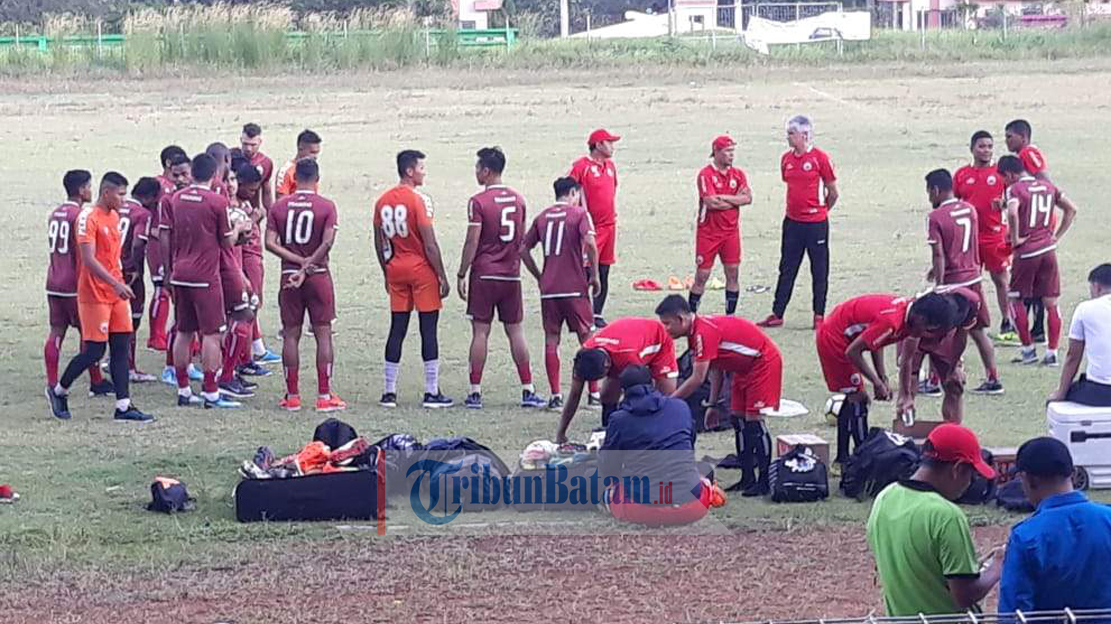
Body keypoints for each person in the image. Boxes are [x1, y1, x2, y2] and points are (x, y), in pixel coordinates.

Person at [45, 172, 154, 422]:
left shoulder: (114, 217)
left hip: (116, 294)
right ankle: (59, 391)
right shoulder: (87, 218)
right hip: (95, 294)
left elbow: (112, 256)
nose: (124, 200)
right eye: (120, 194)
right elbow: (89, 260)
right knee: (94, 350)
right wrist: (117, 283)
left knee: (121, 345)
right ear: (106, 193)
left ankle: (124, 406)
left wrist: (122, 282)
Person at [866, 423, 1001, 616]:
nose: (969, 483)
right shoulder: (946, 516)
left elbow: (921, 568)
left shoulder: (885, 498)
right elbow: (965, 595)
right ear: (958, 469)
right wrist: (996, 567)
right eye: (971, 475)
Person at [656, 295, 781, 496]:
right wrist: (713, 404)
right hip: (741, 369)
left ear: (681, 319)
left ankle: (764, 481)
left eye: (667, 324)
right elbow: (715, 368)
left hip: (762, 363)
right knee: (738, 420)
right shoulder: (695, 333)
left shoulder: (702, 333)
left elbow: (697, 378)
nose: (666, 330)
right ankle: (747, 477)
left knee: (754, 421)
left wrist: (669, 403)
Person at [456, 147, 544, 409]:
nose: (475, 173)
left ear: (486, 171)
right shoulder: (519, 200)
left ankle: (475, 391)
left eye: (477, 168)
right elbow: (522, 239)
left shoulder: (478, 202)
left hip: (484, 273)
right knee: (515, 331)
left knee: (480, 331)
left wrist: (462, 272)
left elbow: (472, 241)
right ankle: (528, 389)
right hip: (510, 274)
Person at [817, 292, 947, 464]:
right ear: (921, 319)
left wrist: (882, 376)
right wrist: (877, 383)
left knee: (854, 398)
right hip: (835, 339)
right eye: (927, 330)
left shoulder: (905, 317)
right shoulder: (892, 322)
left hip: (846, 337)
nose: (925, 335)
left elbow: (874, 342)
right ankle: (861, 460)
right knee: (859, 399)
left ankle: (843, 459)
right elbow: (853, 352)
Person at [166, 153, 251, 409]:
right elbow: (227, 241)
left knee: (183, 331)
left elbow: (169, 235)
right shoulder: (216, 201)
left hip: (179, 274)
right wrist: (240, 228)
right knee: (212, 334)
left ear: (192, 172)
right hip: (205, 276)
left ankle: (183, 389)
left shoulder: (176, 198)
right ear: (215, 175)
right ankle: (212, 393)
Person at [373, 149, 452, 409]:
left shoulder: (382, 201)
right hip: (420, 269)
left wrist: (386, 270)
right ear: (409, 170)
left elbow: (378, 240)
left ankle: (388, 391)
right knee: (428, 329)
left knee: (397, 328)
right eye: (421, 167)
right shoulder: (417, 200)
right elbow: (430, 244)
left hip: (395, 268)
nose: (423, 171)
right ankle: (431, 392)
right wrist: (441, 274)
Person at [998, 437, 1111, 616]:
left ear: (1028, 480)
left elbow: (1014, 613)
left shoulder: (1025, 536)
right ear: (1072, 474)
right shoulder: (1108, 518)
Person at [266, 159, 344, 412]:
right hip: (318, 274)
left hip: (289, 274)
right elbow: (328, 242)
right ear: (317, 179)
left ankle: (292, 396)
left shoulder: (279, 206)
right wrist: (309, 264)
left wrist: (297, 262)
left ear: (295, 178)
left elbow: (270, 243)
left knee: (291, 333)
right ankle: (324, 395)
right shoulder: (327, 206)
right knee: (323, 333)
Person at [521, 177, 601, 411]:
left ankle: (555, 395)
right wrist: (594, 276)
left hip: (550, 290)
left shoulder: (543, 217)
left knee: (551, 340)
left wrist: (539, 275)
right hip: (575, 287)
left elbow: (523, 249)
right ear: (574, 193)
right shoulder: (579, 215)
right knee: (588, 338)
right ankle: (593, 394)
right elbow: (591, 244)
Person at [599, 365, 713, 527]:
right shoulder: (680, 407)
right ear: (653, 383)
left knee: (602, 487)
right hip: (694, 507)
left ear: (623, 391)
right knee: (704, 470)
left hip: (642, 510)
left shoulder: (619, 419)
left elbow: (608, 467)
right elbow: (689, 445)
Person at [924, 167, 1002, 395]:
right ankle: (993, 377)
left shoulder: (935, 217)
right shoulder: (969, 210)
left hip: (952, 282)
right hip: (973, 278)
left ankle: (933, 380)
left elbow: (939, 253)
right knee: (977, 331)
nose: (929, 198)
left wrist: (938, 284)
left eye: (929, 192)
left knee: (937, 332)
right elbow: (965, 244)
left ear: (936, 190)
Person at [759, 115, 838, 330]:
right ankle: (777, 313)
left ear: (804, 135)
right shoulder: (786, 159)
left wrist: (820, 212)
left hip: (816, 225)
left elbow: (833, 192)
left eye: (791, 133)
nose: (788, 137)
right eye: (788, 133)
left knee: (819, 270)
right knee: (787, 267)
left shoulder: (821, 159)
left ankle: (819, 316)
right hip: (792, 223)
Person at [999, 155, 1078, 366]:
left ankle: (1028, 350)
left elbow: (1013, 212)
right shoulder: (1047, 186)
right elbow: (1071, 208)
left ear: (1009, 174)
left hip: (1026, 252)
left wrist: (1015, 238)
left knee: (1015, 299)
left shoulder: (1015, 189)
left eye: (1004, 179)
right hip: (1048, 249)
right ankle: (1052, 353)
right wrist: (1056, 236)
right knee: (1051, 301)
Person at [555, 317, 679, 444]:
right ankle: (608, 429)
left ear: (607, 365)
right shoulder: (583, 357)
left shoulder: (628, 358)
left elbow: (641, 397)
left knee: (663, 397)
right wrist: (561, 433)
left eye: (601, 377)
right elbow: (574, 395)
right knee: (607, 395)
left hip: (659, 340)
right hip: (624, 343)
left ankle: (657, 435)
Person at [44, 169, 112, 396]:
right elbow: (84, 255)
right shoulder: (81, 217)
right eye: (89, 186)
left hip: (53, 282)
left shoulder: (55, 214)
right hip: (74, 285)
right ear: (82, 189)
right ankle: (96, 381)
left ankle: (52, 382)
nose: (91, 191)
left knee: (56, 332)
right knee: (89, 334)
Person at [897, 289, 988, 424]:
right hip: (916, 332)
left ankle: (953, 433)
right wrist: (905, 394)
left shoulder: (972, 302)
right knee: (910, 383)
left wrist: (953, 367)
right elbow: (907, 359)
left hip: (945, 338)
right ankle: (903, 431)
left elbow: (961, 337)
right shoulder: (921, 311)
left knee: (954, 385)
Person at [954, 130, 1014, 339]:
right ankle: (974, 322)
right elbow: (953, 202)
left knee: (1001, 280)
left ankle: (1008, 321)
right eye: (982, 146)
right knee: (972, 281)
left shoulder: (1001, 173)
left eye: (989, 146)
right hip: (969, 238)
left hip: (995, 235)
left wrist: (1004, 203)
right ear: (972, 149)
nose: (986, 150)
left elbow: (1018, 195)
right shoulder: (962, 174)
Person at [689, 135, 751, 315]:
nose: (731, 155)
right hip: (708, 233)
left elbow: (747, 198)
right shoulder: (705, 174)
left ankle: (730, 316)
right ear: (716, 152)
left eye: (733, 151)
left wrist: (724, 198)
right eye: (727, 151)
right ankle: (691, 316)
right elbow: (711, 203)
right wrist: (735, 200)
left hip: (731, 233)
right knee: (702, 276)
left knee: (733, 274)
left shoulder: (738, 174)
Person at [155, 153, 202, 385]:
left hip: (197, 266)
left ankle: (188, 364)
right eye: (177, 175)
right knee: (180, 321)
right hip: (179, 268)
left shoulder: (196, 198)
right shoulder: (169, 200)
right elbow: (164, 235)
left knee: (191, 321)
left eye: (186, 174)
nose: (182, 179)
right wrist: (167, 269)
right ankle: (170, 367)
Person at [568, 128, 619, 328]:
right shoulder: (581, 166)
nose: (612, 147)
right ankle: (580, 312)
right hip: (590, 228)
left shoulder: (611, 166)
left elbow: (612, 190)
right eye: (609, 142)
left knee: (604, 269)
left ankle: (597, 313)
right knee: (586, 270)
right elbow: (569, 190)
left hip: (609, 226)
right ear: (598, 145)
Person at [214, 166, 258, 401]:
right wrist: (240, 276)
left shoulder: (236, 208)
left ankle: (230, 371)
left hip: (234, 269)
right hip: (228, 271)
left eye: (232, 179)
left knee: (239, 318)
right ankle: (226, 376)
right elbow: (225, 246)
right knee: (242, 316)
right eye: (225, 179)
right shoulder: (221, 209)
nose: (230, 184)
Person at [238, 123, 280, 365]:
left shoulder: (266, 164)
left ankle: (256, 347)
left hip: (251, 229)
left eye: (252, 144)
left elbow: (266, 196)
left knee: (253, 293)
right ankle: (248, 352)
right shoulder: (233, 159)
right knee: (247, 295)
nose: (248, 148)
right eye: (245, 143)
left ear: (260, 142)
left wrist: (268, 220)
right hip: (241, 229)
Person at [1005, 119, 1050, 342]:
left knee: (1033, 280)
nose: (1006, 141)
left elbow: (1043, 180)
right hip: (1035, 219)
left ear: (1022, 137)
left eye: (1009, 136)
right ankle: (1036, 326)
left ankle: (1036, 328)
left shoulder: (1028, 153)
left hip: (1035, 224)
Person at [1050, 264, 1111, 406]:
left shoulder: (1085, 309)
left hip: (1100, 390)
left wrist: (1061, 392)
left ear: (1096, 287)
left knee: (1074, 389)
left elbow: (1073, 356)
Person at [119, 177, 161, 382]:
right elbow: (137, 244)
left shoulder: (118, 206)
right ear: (150, 197)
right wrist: (134, 268)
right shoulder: (142, 214)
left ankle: (111, 363)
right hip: (127, 273)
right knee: (131, 321)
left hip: (108, 269)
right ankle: (129, 368)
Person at [147, 145, 189, 351]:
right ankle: (156, 336)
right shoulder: (160, 186)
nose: (181, 178)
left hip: (172, 244)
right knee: (161, 288)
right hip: (157, 243)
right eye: (177, 173)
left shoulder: (176, 188)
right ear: (168, 165)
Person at [276, 129, 322, 199]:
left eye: (317, 152)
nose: (315, 157)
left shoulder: (313, 169)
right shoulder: (286, 171)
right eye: (312, 152)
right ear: (300, 149)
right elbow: (281, 201)